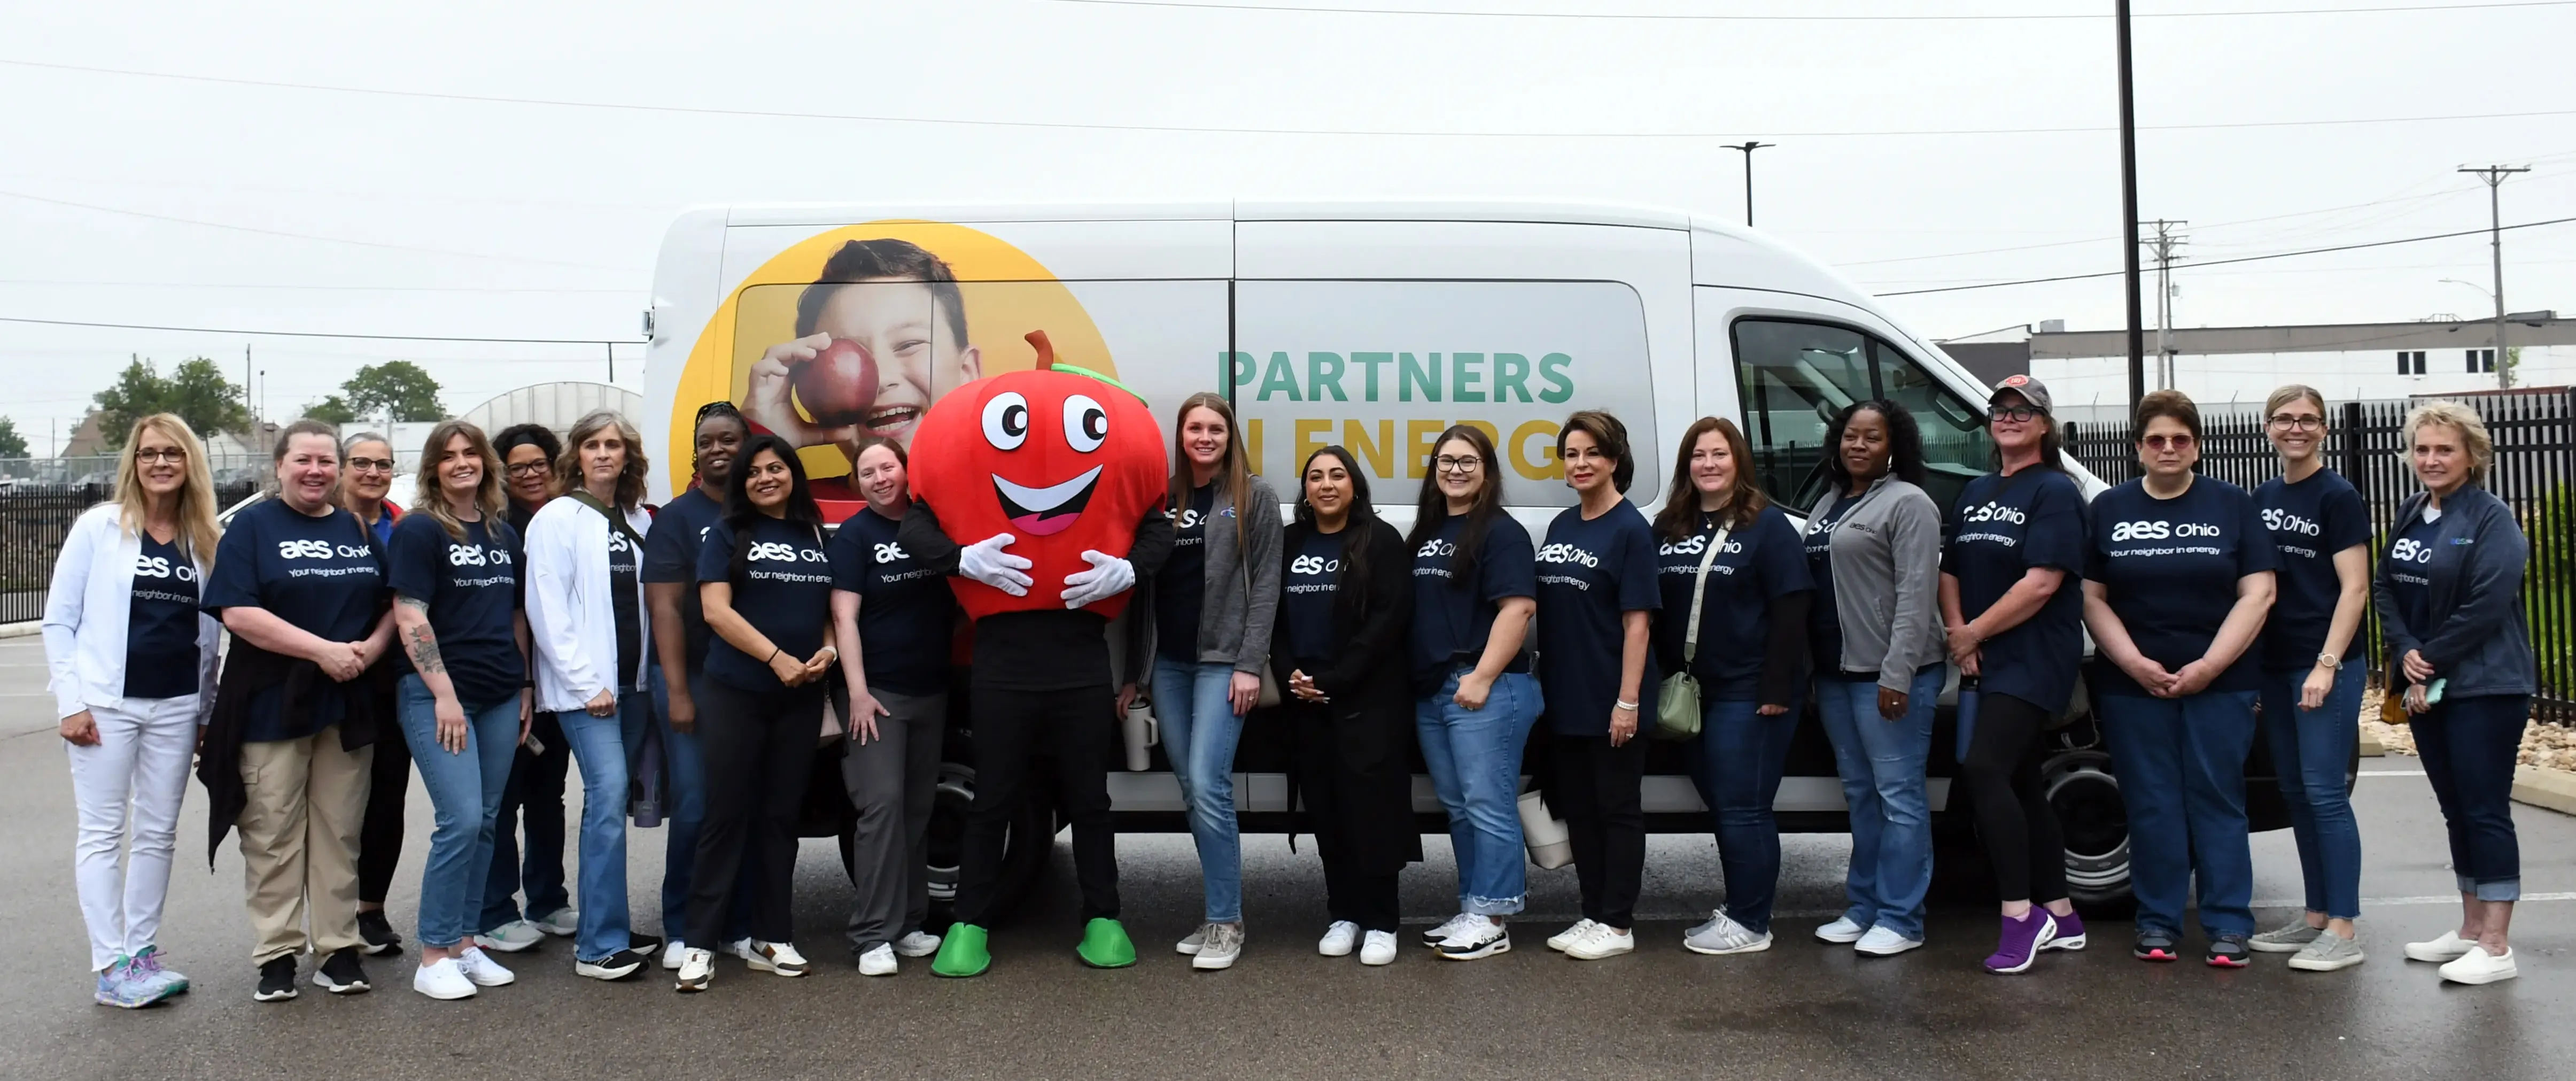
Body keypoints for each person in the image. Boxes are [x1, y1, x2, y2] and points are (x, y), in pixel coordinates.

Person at [198, 419, 396, 1002]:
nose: (315, 471)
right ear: (279, 466)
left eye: (325, 462)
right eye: (303, 460)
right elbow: (236, 611)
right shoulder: (251, 529)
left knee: (340, 830)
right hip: (270, 705)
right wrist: (322, 651)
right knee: (273, 832)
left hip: (346, 704)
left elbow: (394, 602)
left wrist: (371, 648)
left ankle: (338, 948)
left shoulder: (357, 528)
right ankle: (277, 954)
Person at [2082, 389, 2277, 968]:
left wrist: (2209, 666)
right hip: (2131, 686)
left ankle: (2226, 926)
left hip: (2221, 682)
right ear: (2137, 447)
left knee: (2217, 799)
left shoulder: (2232, 505)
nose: (2168, 449)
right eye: (2155, 440)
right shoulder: (2109, 509)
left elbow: (2258, 591)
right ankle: (2158, 923)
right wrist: (2132, 662)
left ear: (2196, 446)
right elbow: (2090, 597)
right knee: (2150, 804)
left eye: (2180, 440)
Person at [46, 414, 223, 1007]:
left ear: (190, 463)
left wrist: (205, 709)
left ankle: (142, 952)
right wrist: (72, 703)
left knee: (157, 833)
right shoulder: (100, 527)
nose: (160, 463)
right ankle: (110, 965)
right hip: (107, 703)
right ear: (133, 461)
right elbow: (59, 620)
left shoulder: (204, 540)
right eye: (149, 454)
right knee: (101, 832)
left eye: (173, 453)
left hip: (176, 705)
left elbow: (209, 636)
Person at [1122, 393, 1282, 971]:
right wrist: (1134, 673)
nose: (1205, 437)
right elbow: (1140, 590)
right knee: (1191, 788)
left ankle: (1226, 921)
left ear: (1229, 435)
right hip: (1169, 664)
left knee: (1209, 785)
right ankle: (1217, 911)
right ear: (1181, 435)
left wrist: (1248, 663)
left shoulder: (1252, 495)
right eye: (1195, 428)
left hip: (1222, 663)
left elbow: (1265, 585)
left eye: (1215, 428)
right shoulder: (1164, 497)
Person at [672, 434, 836, 992]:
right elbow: (714, 611)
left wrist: (826, 652)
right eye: (754, 472)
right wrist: (775, 659)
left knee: (780, 818)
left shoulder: (815, 534)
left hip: (799, 696)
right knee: (725, 816)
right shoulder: (727, 533)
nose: (766, 478)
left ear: (792, 472)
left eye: (776, 468)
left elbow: (828, 610)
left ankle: (772, 938)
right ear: (741, 484)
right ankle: (699, 945)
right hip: (737, 691)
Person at [1938, 375, 2090, 974]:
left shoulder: (2056, 491)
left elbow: (2042, 583)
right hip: (1981, 652)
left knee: (1982, 770)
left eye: (2022, 411)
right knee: (2022, 782)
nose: (2008, 418)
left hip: (2032, 657)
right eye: (2000, 410)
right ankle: (2062, 914)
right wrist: (1960, 634)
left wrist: (1975, 632)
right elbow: (1950, 570)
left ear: (2044, 424)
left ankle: (2019, 917)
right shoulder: (1975, 490)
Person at [2382, 403, 2534, 986]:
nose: (2430, 460)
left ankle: (2496, 946)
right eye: (2421, 449)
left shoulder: (2492, 518)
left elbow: (2487, 602)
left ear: (2471, 455)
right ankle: (2469, 929)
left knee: (2484, 810)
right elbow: (2384, 587)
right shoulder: (2412, 510)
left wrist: (2431, 658)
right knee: (2454, 810)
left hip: (2486, 686)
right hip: (2428, 683)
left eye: (2443, 449)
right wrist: (2405, 651)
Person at [1650, 416, 1811, 958]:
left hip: (1750, 691)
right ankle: (1740, 908)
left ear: (1738, 460)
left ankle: (1749, 921)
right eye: (1698, 456)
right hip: (1693, 694)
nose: (1709, 465)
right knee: (1723, 804)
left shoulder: (1767, 527)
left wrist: (1777, 687)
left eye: (1719, 454)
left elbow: (1791, 610)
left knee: (1744, 808)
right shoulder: (1670, 524)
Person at [386, 421, 534, 1000]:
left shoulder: (501, 533)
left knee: (490, 819)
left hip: (500, 693)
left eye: (470, 453)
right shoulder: (421, 530)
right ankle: (432, 954)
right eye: (447, 457)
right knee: (462, 820)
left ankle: (466, 944)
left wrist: (524, 685)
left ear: (485, 464)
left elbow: (516, 615)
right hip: (437, 696)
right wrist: (443, 692)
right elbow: (409, 615)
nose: (460, 463)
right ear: (433, 469)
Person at [523, 410, 661, 980]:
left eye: (614, 445)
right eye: (592, 445)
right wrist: (586, 683)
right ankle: (596, 947)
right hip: (590, 693)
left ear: (628, 455)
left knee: (613, 806)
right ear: (575, 456)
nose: (604, 454)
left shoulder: (638, 519)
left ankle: (609, 924)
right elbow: (546, 609)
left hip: (634, 686)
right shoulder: (555, 519)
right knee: (604, 801)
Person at [1807, 399, 1947, 958]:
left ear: (1894, 446)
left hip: (1888, 676)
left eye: (1871, 437)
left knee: (1899, 799)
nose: (1857, 445)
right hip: (1837, 675)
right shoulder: (1829, 501)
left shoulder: (1909, 503)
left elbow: (1917, 594)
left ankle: (1901, 918)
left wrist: (1898, 671)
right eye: (1849, 436)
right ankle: (1863, 907)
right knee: (1860, 797)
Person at [1275, 446, 1418, 967]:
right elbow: (1272, 617)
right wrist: (1289, 673)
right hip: (1306, 703)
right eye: (1315, 476)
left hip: (1367, 701)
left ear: (1354, 485)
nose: (1326, 484)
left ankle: (1381, 920)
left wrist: (1334, 679)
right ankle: (1344, 914)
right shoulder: (1290, 542)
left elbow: (1387, 621)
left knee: (1372, 814)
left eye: (1337, 475)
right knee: (1327, 813)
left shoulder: (1379, 541)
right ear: (1305, 489)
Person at [2247, 384, 2373, 972]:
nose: (2295, 428)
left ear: (2322, 430)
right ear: (2267, 427)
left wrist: (2325, 665)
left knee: (2324, 793)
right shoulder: (2264, 493)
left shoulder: (2337, 495)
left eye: (2307, 420)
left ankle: (2344, 930)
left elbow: (2354, 587)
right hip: (2274, 665)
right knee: (2295, 793)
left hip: (2324, 664)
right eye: (2284, 419)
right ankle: (2316, 916)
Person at [1407, 423, 1543, 962]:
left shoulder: (1500, 533)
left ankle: (1494, 915)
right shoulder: (1430, 530)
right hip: (1435, 691)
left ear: (1486, 471)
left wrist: (1481, 677)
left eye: (1467, 461)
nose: (1455, 470)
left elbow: (1518, 609)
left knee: (1488, 805)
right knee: (1460, 807)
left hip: (1484, 688)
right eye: (1445, 461)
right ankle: (1472, 906)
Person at [1533, 411, 1659, 962]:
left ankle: (1618, 921)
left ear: (1614, 460)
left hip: (1613, 697)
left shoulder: (1630, 529)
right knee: (1579, 810)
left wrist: (1627, 702)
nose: (1579, 464)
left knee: (1616, 809)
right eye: (1571, 454)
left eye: (1591, 454)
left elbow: (1638, 624)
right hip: (1566, 696)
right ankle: (1590, 913)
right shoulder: (1563, 526)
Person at [826, 436, 956, 975]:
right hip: (875, 694)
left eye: (887, 468)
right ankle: (870, 936)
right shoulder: (857, 536)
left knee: (916, 809)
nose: (879, 479)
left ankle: (907, 924)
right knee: (880, 809)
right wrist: (856, 692)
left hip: (931, 691)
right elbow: (844, 619)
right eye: (867, 473)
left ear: (906, 471)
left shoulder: (929, 526)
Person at [641, 402, 756, 969]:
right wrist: (679, 692)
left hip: (749, 685)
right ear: (695, 451)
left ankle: (734, 922)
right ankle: (682, 926)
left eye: (729, 439)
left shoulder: (764, 512)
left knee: (739, 805)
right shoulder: (677, 519)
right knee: (694, 806)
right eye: (707, 440)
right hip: (689, 679)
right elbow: (664, 610)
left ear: (746, 445)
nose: (718, 449)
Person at [741, 237, 985, 499]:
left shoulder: (1021, 502)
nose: (880, 379)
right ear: (811, 396)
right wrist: (761, 445)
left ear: (967, 373)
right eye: (849, 357)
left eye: (909, 344)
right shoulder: (791, 510)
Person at [479, 422, 575, 952]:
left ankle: (548, 901)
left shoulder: (568, 521)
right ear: (503, 475)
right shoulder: (496, 530)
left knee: (549, 796)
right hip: (511, 685)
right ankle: (497, 909)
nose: (532, 474)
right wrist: (521, 681)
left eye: (540, 464)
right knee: (502, 798)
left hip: (559, 686)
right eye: (519, 468)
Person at [342, 431, 413, 958]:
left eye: (382, 464)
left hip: (392, 677)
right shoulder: (320, 522)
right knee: (337, 801)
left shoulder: (403, 525)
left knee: (387, 797)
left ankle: (371, 907)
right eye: (361, 463)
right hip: (332, 674)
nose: (372, 472)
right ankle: (332, 911)